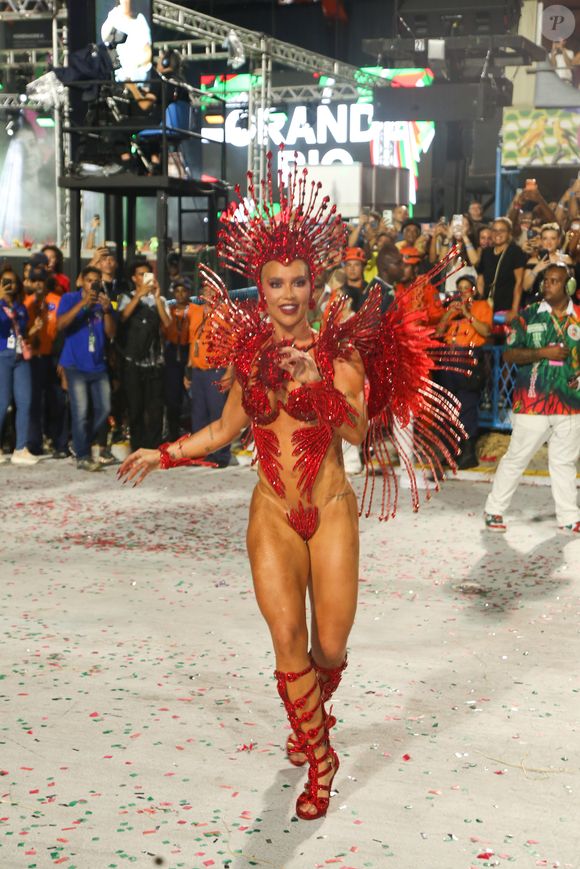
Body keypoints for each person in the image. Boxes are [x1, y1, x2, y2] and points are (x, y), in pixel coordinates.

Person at [118, 161, 465, 821]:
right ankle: (321, 757)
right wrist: (161, 453)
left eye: (298, 281)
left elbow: (360, 432)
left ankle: (311, 708)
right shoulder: (248, 357)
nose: (287, 293)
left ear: (314, 284)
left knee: (328, 647)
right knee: (287, 639)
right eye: (275, 282)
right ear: (261, 286)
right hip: (273, 513)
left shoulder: (340, 354)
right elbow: (224, 430)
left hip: (330, 510)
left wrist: (318, 384)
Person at [484, 263, 580, 533]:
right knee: (516, 458)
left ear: (569, 286)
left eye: (554, 281)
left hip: (570, 404)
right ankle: (494, 510)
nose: (547, 285)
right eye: (545, 280)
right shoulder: (528, 316)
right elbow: (509, 354)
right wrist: (542, 353)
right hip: (532, 403)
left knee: (564, 462)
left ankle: (569, 518)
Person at [56, 266, 116, 471]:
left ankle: (80, 442)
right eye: (89, 280)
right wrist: (83, 304)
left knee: (104, 408)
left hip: (98, 364)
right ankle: (83, 455)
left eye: (97, 281)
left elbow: (111, 333)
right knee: (80, 411)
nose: (93, 284)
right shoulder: (70, 298)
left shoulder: (104, 301)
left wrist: (107, 311)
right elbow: (60, 325)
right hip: (74, 364)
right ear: (81, 281)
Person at [435, 276, 493, 468]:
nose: (462, 292)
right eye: (459, 288)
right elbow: (438, 333)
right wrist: (448, 315)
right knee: (448, 405)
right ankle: (450, 450)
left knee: (467, 404)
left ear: (473, 290)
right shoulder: (452, 310)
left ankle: (468, 451)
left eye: (466, 288)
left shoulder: (481, 306)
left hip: (468, 358)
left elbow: (485, 331)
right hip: (449, 359)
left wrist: (468, 314)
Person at [117, 259, 170, 451]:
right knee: (135, 407)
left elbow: (167, 325)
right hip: (133, 363)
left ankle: (153, 448)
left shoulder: (161, 300)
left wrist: (156, 298)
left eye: (148, 274)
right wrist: (138, 296)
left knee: (155, 408)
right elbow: (122, 318)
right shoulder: (126, 298)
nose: (145, 278)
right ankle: (137, 447)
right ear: (134, 278)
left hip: (154, 363)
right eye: (141, 274)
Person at [184, 281, 231, 468]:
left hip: (217, 371)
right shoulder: (195, 311)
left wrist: (230, 372)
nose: (209, 293)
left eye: (213, 290)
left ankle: (221, 456)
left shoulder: (227, 312)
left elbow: (234, 344)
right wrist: (188, 371)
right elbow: (192, 342)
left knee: (217, 414)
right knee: (198, 415)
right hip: (198, 372)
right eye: (206, 290)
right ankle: (199, 454)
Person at [24, 265, 69, 458]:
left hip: (53, 357)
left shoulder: (57, 301)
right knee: (34, 402)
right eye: (34, 281)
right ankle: (34, 444)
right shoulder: (26, 303)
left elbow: (64, 332)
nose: (38, 285)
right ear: (29, 282)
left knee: (57, 401)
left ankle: (60, 443)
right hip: (32, 358)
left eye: (41, 281)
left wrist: (64, 359)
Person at [0, 266, 37, 465]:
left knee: (25, 401)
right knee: (2, 402)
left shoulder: (20, 307)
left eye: (12, 282)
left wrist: (33, 329)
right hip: (2, 355)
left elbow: (21, 330)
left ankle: (21, 448)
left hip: (20, 356)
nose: (9, 285)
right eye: (5, 281)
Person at [476, 217, 526, 319]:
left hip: (507, 308)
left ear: (509, 233)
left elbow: (519, 282)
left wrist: (514, 310)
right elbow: (480, 280)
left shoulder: (515, 252)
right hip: (487, 306)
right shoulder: (486, 252)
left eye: (502, 230)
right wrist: (479, 304)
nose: (497, 233)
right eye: (494, 230)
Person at [163, 280, 191, 442]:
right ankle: (173, 432)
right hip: (172, 353)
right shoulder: (169, 311)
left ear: (189, 292)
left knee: (191, 395)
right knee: (172, 396)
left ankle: (191, 430)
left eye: (183, 291)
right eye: (177, 291)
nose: (180, 294)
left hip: (189, 352)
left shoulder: (194, 310)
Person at [100, 0, 152, 84]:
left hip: (138, 80)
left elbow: (148, 53)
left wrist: (136, 66)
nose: (126, 2)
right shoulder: (113, 17)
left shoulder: (140, 20)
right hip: (119, 79)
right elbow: (107, 45)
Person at [522, 222, 572, 307]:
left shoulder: (566, 260)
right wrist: (537, 269)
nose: (549, 242)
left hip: (563, 305)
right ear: (541, 241)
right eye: (545, 239)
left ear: (558, 240)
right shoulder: (533, 261)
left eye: (553, 238)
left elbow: (572, 286)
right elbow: (525, 287)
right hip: (538, 305)